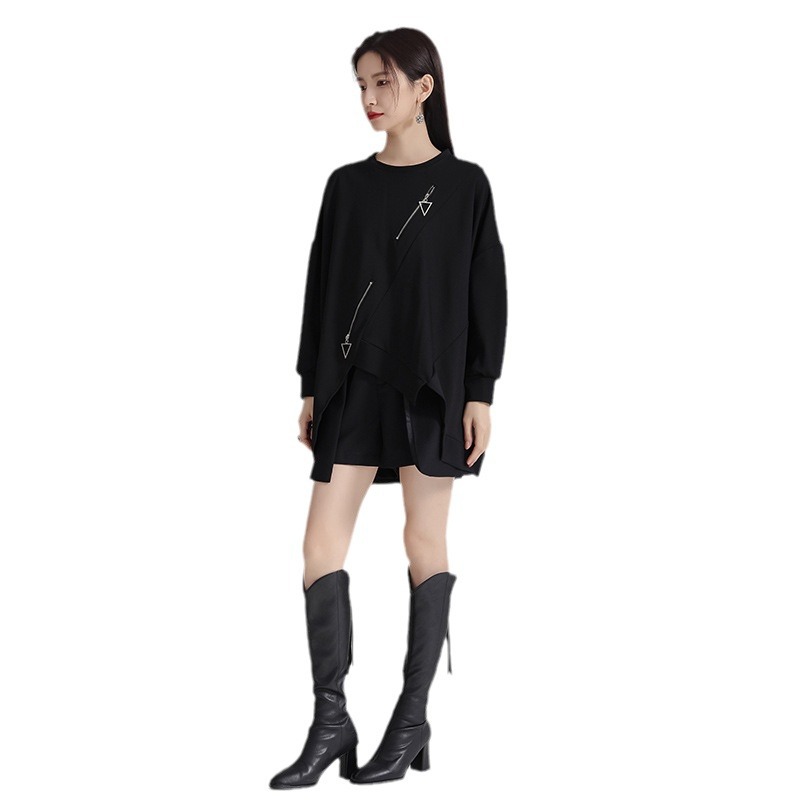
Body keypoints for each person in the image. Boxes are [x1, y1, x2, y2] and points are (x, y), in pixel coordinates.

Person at [269, 27, 508, 789]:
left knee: (423, 539)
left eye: (384, 83)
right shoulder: (346, 186)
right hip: (351, 384)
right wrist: (311, 385)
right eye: (363, 86)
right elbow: (320, 288)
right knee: (319, 549)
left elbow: (486, 295)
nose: (370, 99)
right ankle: (331, 721)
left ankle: (411, 720)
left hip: (431, 389)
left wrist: (480, 391)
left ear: (423, 87)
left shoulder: (465, 185)